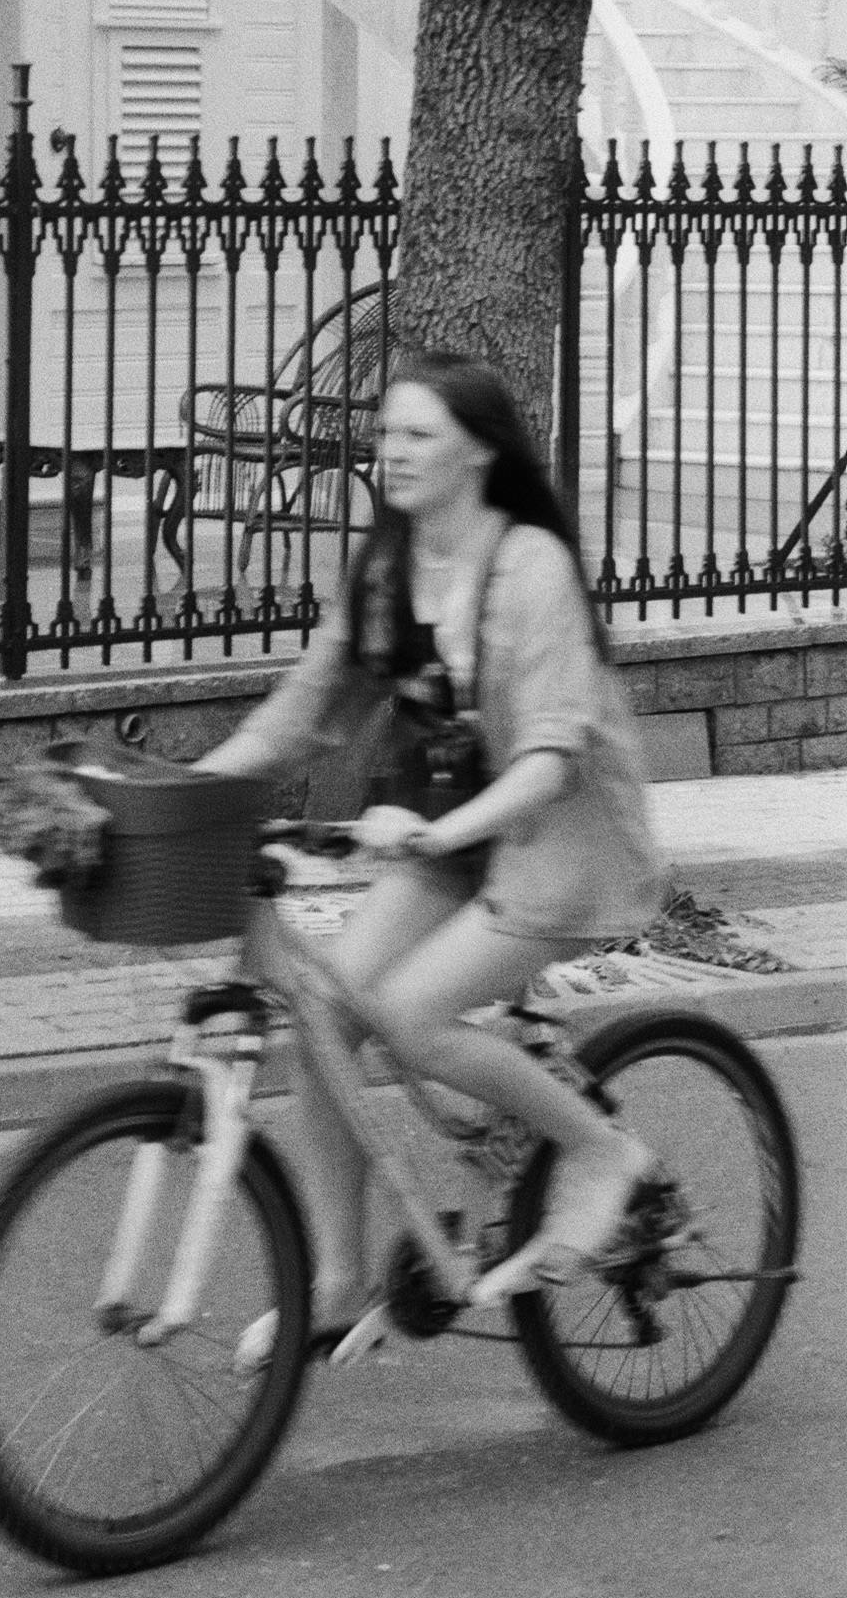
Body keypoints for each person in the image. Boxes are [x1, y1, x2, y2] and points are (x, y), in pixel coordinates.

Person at [201, 349, 666, 1362]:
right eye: (385, 432)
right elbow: (308, 705)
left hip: (552, 842)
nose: (391, 450)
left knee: (408, 1012)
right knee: (325, 1010)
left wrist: (433, 832)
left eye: (416, 433)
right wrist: (196, 787)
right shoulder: (388, 563)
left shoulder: (529, 565)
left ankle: (599, 1148)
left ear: (477, 450)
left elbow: (548, 758)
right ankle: (333, 1280)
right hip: (453, 835)